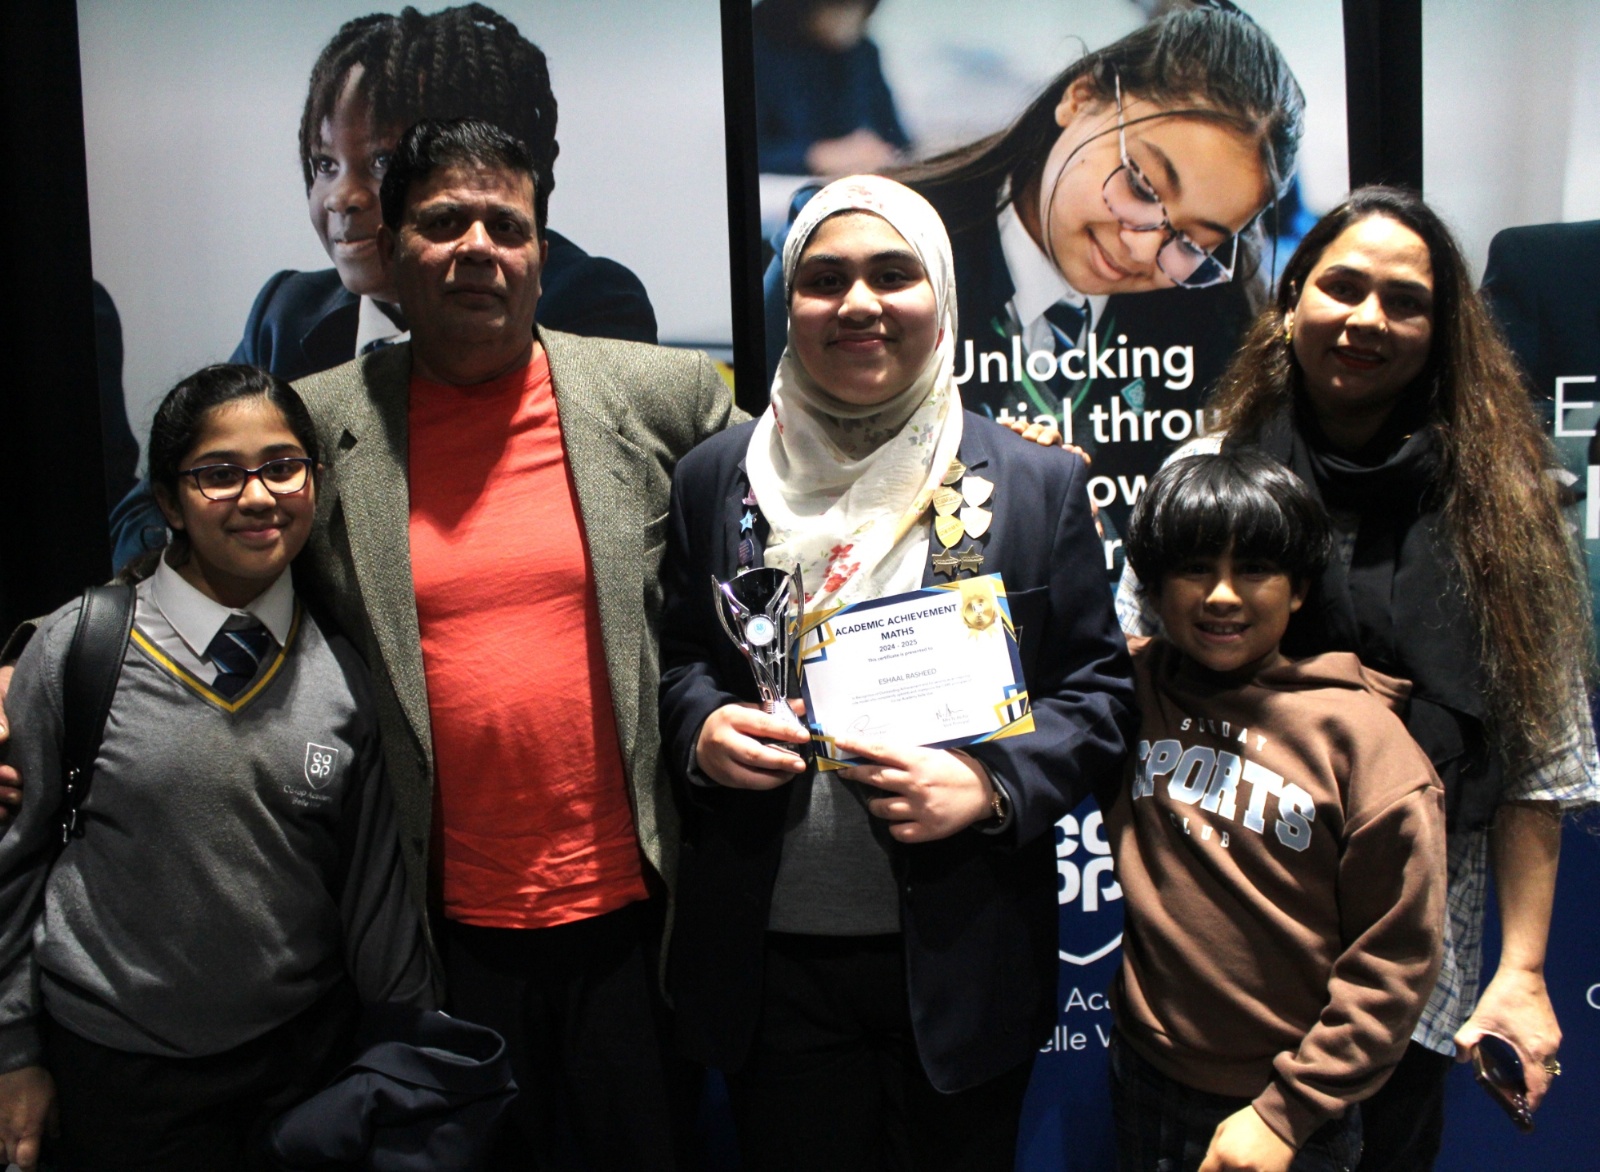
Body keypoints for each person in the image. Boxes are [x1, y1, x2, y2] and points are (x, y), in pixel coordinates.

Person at [1115, 186, 1599, 1171]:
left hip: (1402, 975)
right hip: (1215, 972)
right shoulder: (1209, 469)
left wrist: (1521, 969)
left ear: (1442, 328)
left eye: (1404, 300)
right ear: (1291, 300)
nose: (1367, 318)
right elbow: (1131, 668)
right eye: (1342, 286)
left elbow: (1541, 760)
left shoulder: (1504, 505)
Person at [660, 174, 1134, 1171]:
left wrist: (991, 783)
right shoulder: (715, 477)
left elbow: (1098, 693)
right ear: (789, 303)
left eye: (891, 273)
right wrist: (701, 728)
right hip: (771, 958)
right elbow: (681, 659)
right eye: (824, 279)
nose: (859, 303)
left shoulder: (1034, 483)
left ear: (943, 294)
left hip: (962, 959)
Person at [0, 365, 435, 1172]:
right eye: (218, 475)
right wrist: (13, 1053)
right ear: (170, 502)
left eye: (282, 467)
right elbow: (14, 865)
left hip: (301, 1067)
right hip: (117, 1072)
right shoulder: (81, 649)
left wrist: (408, 1055)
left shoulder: (346, 673)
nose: (258, 496)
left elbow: (373, 891)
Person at [109, 3, 658, 572]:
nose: (340, 197)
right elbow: (144, 515)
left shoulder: (584, 301)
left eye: (380, 162)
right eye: (324, 164)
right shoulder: (288, 313)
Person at [763, 1, 1304, 569]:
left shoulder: (1215, 320)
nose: (1144, 248)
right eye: (1142, 186)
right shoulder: (863, 257)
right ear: (1081, 97)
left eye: (1194, 241)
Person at [1106, 448, 1445, 1172]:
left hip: (1288, 1110)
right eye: (1195, 569)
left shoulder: (1362, 743)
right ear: (1155, 588)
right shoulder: (1130, 689)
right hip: (1143, 1073)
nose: (1222, 595)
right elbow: (1028, 638)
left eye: (1255, 569)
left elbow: (1395, 960)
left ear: (1298, 591)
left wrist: (1286, 1115)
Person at [753, 0, 910, 178]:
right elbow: (747, 151)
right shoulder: (757, 50)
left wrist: (877, 150)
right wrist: (816, 156)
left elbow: (896, 138)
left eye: (858, 7)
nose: (849, 18)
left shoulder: (862, 52)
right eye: (839, 7)